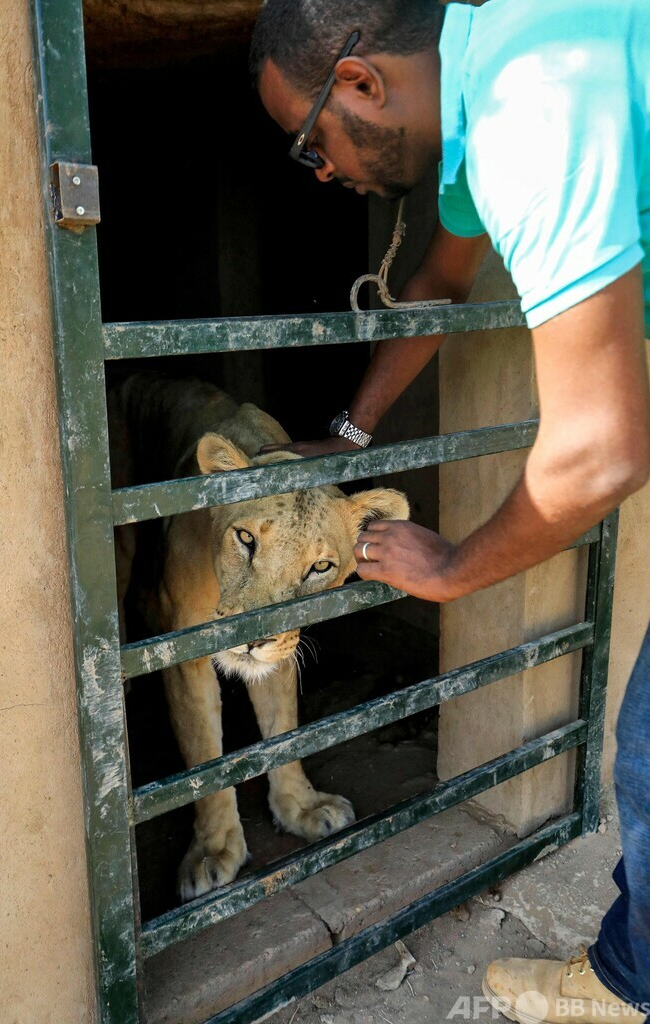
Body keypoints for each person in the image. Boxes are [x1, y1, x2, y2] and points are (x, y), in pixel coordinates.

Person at [249, 1, 650, 1022]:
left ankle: (622, 988)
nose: (321, 173)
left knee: (642, 758)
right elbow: (435, 276)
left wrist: (447, 568)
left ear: (359, 83)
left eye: (308, 143)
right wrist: (349, 431)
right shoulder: (497, 79)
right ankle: (625, 975)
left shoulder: (529, 104)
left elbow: (597, 451)